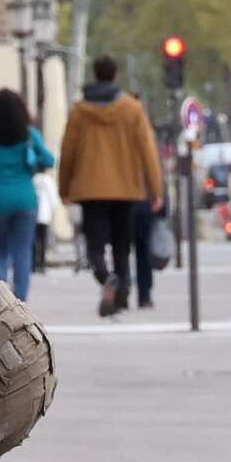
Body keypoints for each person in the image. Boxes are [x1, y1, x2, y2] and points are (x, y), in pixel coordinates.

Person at [55, 52, 165, 317]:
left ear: (95, 74)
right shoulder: (132, 109)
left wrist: (64, 187)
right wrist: (156, 189)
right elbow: (147, 150)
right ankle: (123, 295)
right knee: (121, 244)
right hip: (126, 189)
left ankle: (105, 278)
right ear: (115, 75)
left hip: (90, 189)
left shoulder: (80, 111)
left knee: (95, 245)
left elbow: (67, 150)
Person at [0, 88, 54, 300]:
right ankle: (21, 300)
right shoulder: (29, 135)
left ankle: (1, 299)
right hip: (25, 199)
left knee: (0, 252)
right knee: (23, 251)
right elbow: (49, 160)